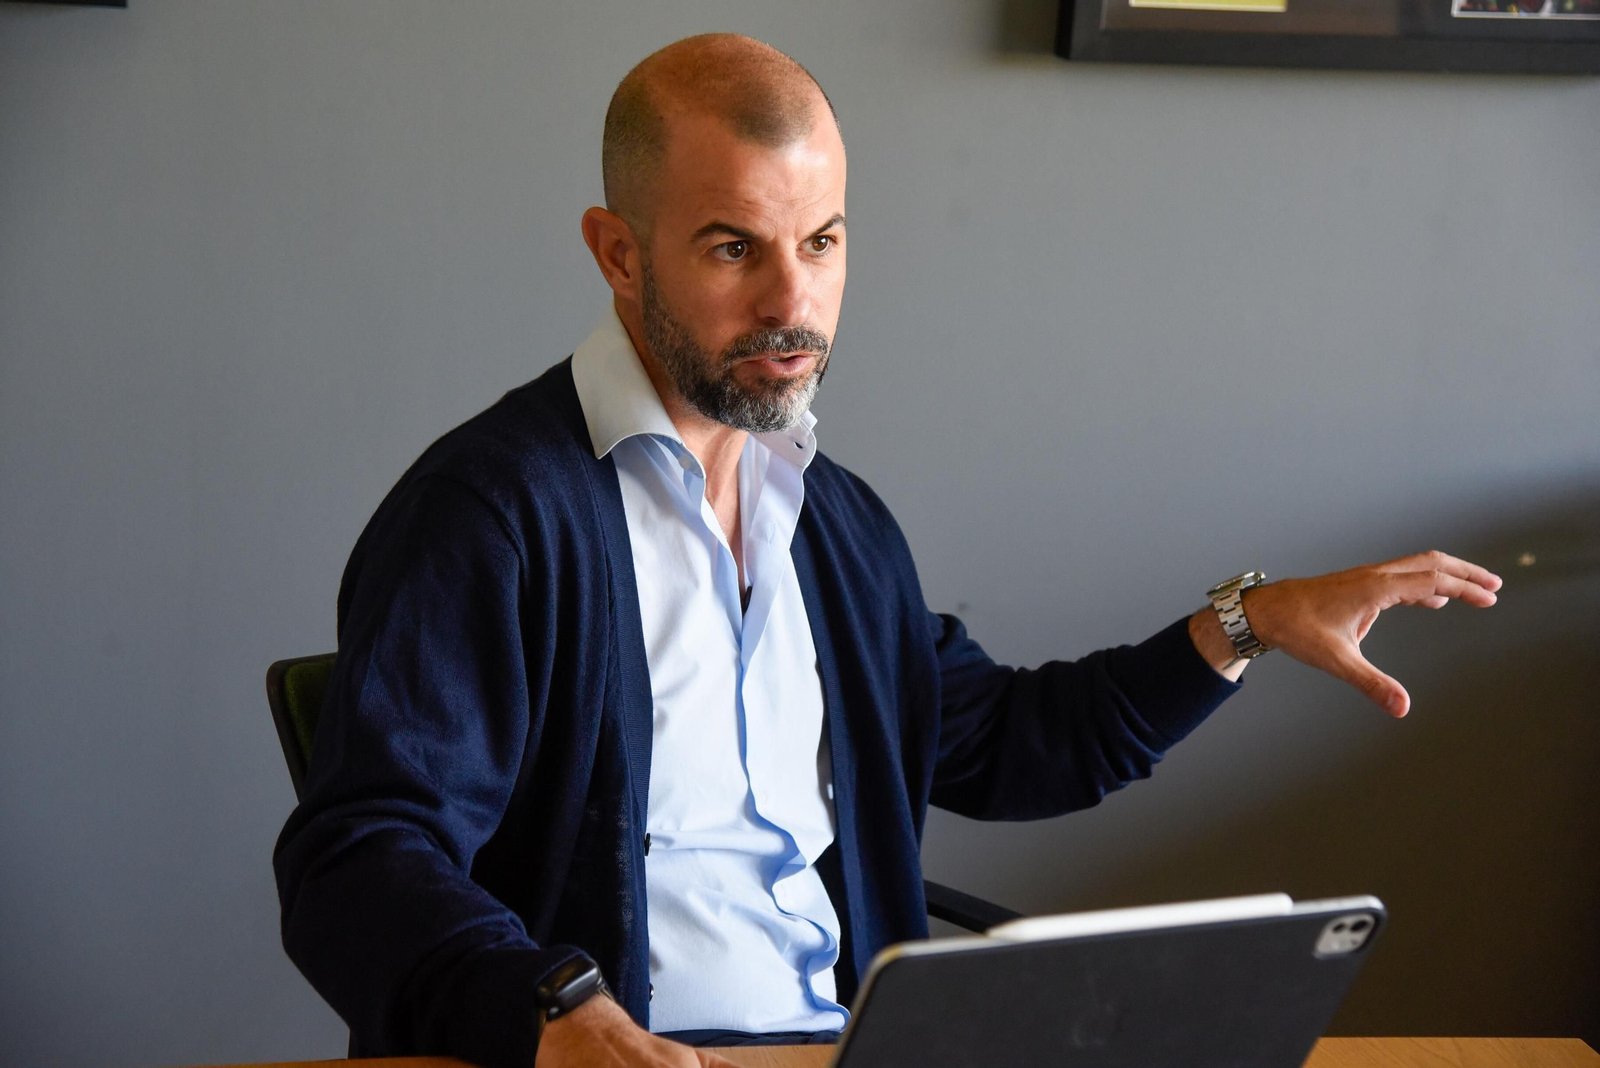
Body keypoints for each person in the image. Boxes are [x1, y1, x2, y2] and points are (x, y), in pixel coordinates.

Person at [272, 32, 1501, 1068]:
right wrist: (553, 1011)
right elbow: (357, 858)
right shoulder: (493, 514)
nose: (791, 306)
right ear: (617, 251)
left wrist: (1249, 623)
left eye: (820, 243)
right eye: (732, 247)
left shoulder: (830, 519)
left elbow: (1012, 746)